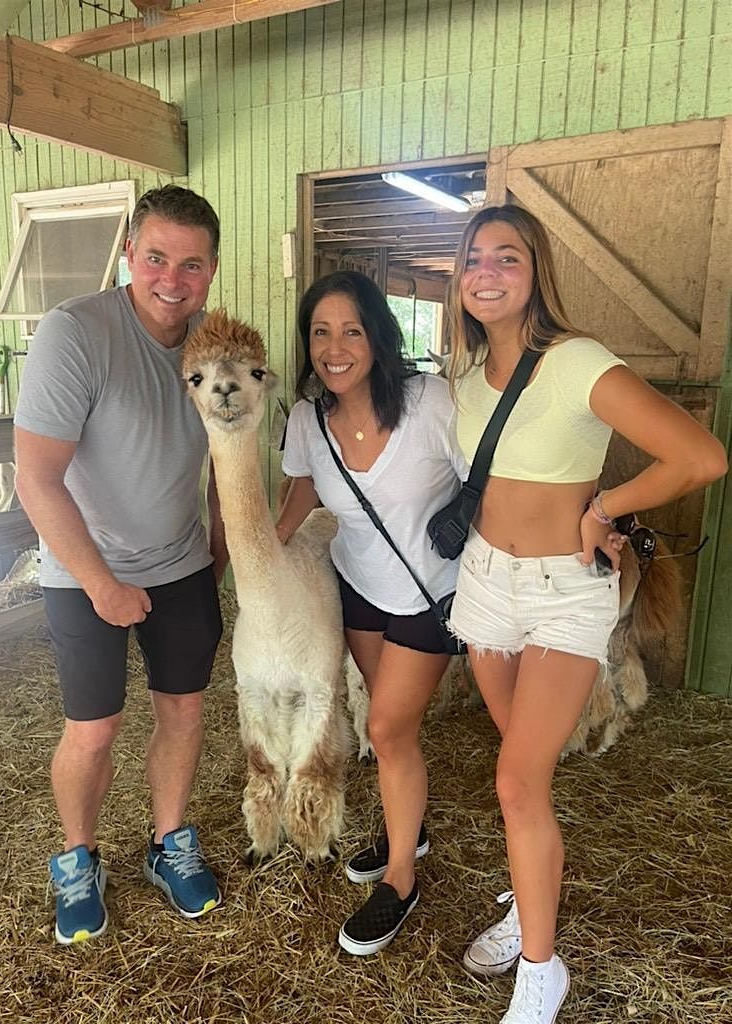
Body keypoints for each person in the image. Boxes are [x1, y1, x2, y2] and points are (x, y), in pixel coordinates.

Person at [445, 204, 727, 1023]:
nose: (487, 273)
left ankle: (542, 970)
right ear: (458, 280)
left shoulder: (576, 362)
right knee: (519, 777)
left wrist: (606, 505)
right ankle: (529, 908)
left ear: (537, 275)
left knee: (516, 779)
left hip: (563, 591)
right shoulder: (462, 380)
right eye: (473, 259)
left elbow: (701, 455)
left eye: (508, 257)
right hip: (485, 584)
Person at [14, 185, 229, 945]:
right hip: (85, 569)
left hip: (180, 563)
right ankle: (77, 857)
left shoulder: (215, 346)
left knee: (184, 711)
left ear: (211, 270)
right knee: (94, 728)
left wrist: (222, 551)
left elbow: (224, 454)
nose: (173, 278)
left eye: (192, 263)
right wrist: (102, 584)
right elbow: (34, 476)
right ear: (130, 254)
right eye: (158, 257)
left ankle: (169, 841)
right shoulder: (76, 333)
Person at [275, 270, 468, 955]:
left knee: (387, 727)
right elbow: (300, 490)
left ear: (378, 337)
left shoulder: (432, 402)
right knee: (387, 730)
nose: (334, 347)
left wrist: (474, 517)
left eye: (350, 330)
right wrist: (266, 548)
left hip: (430, 591)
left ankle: (400, 880)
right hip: (358, 588)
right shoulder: (307, 419)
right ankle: (404, 826)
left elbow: (490, 472)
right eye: (320, 332)